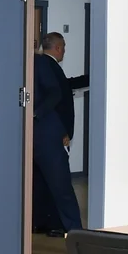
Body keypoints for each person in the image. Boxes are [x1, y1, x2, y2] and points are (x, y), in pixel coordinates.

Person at [32, 32, 82, 235]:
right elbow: (56, 94)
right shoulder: (37, 63)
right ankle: (51, 225)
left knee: (55, 185)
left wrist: (35, 113)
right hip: (40, 135)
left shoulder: (39, 63)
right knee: (47, 185)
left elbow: (56, 92)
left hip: (45, 133)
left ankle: (72, 231)